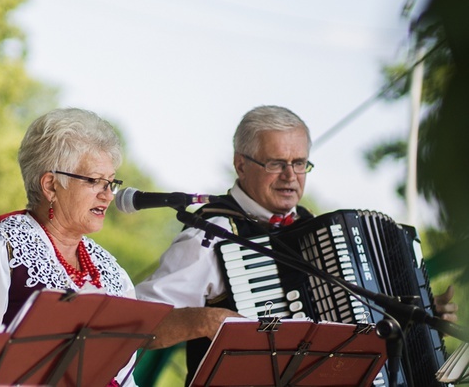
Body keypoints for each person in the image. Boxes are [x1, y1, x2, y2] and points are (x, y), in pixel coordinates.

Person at [136, 105, 459, 384]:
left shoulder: (317, 231)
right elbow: (135, 325)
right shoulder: (211, 234)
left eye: (300, 163)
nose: (291, 176)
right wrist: (203, 321)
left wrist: (422, 323)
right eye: (276, 163)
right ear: (241, 164)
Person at [0, 107, 139, 386]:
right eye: (95, 181)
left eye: (111, 182)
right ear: (51, 185)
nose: (108, 195)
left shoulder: (113, 272)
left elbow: (124, 378)